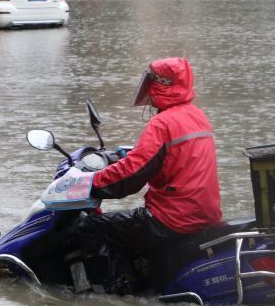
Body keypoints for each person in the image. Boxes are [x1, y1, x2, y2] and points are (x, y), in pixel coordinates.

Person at [67, 57, 222, 293]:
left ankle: (111, 295)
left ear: (160, 84)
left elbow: (132, 174)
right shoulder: (198, 116)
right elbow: (173, 158)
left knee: (88, 227)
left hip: (171, 218)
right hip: (203, 213)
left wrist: (89, 183)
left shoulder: (162, 124)